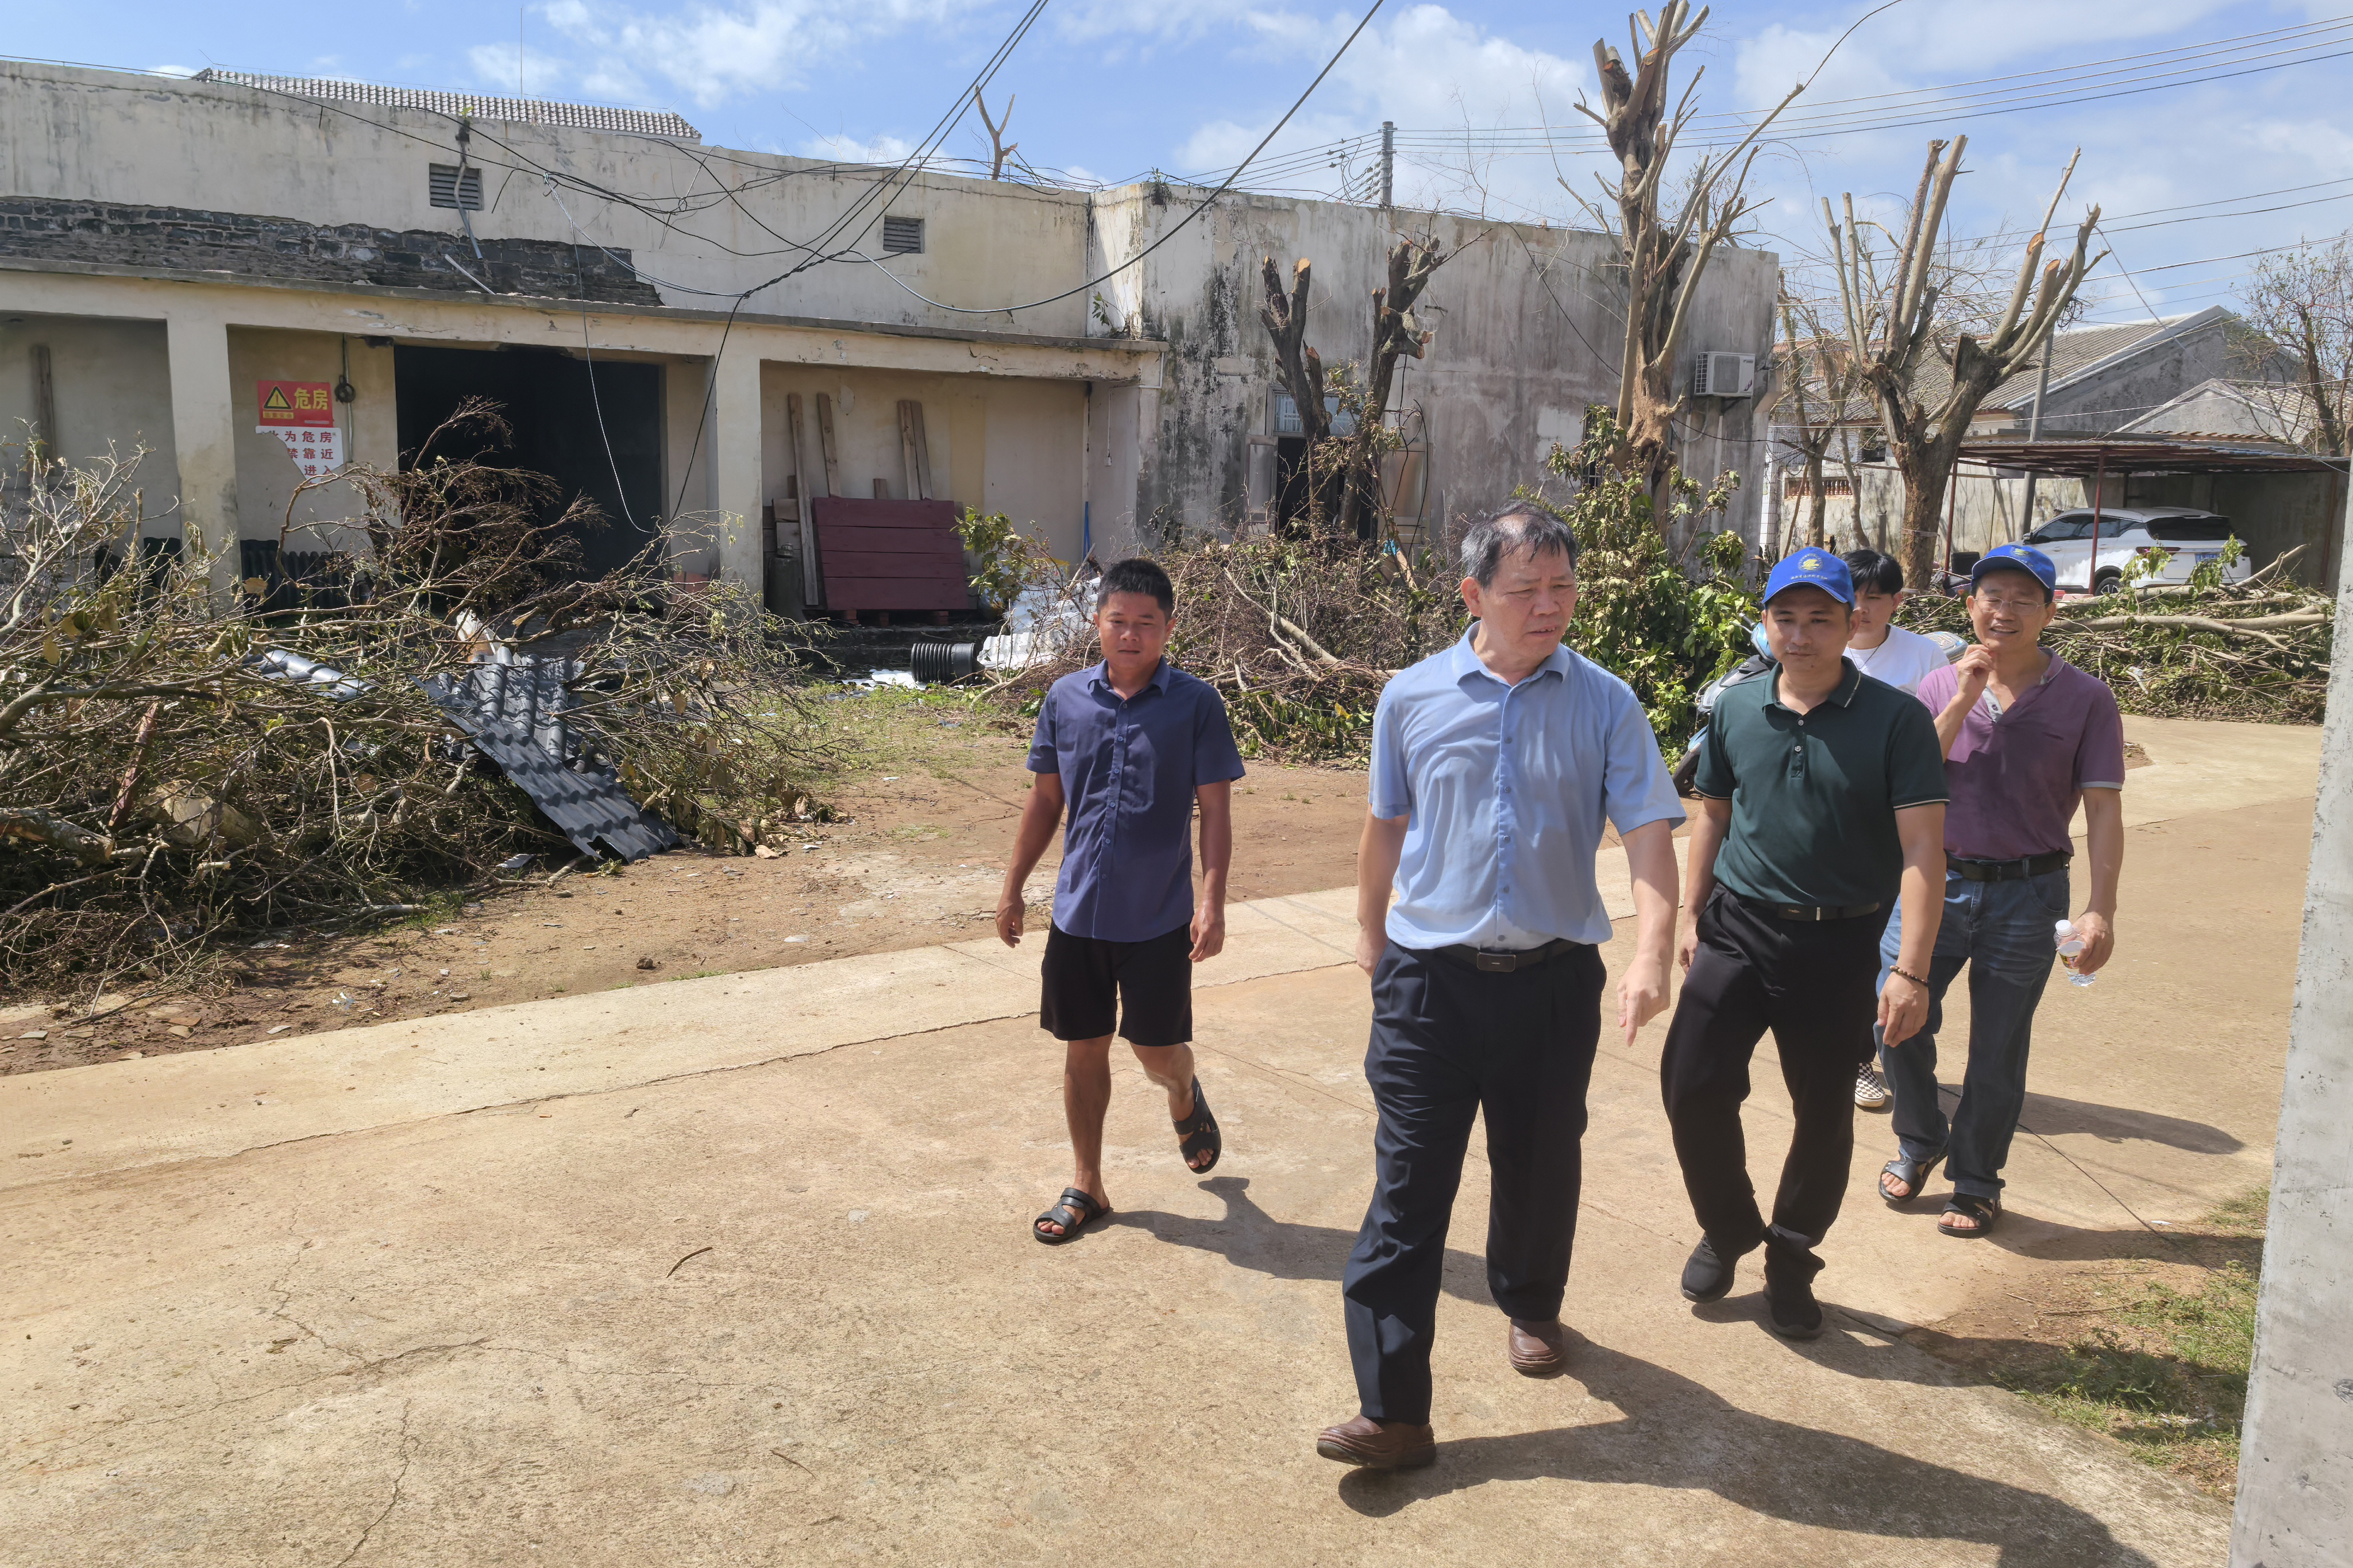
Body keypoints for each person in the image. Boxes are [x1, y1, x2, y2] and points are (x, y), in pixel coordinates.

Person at [1314, 501, 1683, 1472]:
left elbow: (1648, 831)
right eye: (1525, 590)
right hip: (1428, 983)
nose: (1549, 606)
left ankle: (1530, 1304)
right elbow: (1386, 824)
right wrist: (1368, 933)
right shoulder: (1412, 695)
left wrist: (1652, 951)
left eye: (1563, 587)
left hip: (1552, 983)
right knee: (1407, 1189)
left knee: (1539, 1161)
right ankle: (1394, 1412)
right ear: (1474, 595)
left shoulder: (1606, 702)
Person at [1660, 550, 1947, 1339]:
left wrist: (1911, 971)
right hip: (1739, 926)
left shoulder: (1897, 720)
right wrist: (1692, 913)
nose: (1801, 632)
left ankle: (1790, 1253)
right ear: (1766, 622)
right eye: (1785, 616)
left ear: (1853, 623)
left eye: (1820, 617)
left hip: (1841, 939)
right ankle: (1728, 1226)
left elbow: (1925, 850)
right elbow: (1711, 812)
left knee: (1824, 1112)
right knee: (1691, 1083)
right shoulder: (1737, 708)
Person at [1875, 544, 2124, 1239]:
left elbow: (2104, 810)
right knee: (1892, 1022)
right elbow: (1906, 779)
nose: (2004, 611)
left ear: (2051, 611)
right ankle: (1921, 1138)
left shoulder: (2085, 699)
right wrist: (1962, 693)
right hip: (1934, 885)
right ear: (1969, 606)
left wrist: (2099, 908)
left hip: (2031, 892)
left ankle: (1977, 1181)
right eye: (1992, 596)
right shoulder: (1934, 689)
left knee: (1998, 1047)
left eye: (2023, 599)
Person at [997, 557, 1247, 1245]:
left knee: (1156, 1052)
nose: (1130, 636)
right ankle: (1088, 1183)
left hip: (1158, 916)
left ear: (1168, 629)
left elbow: (1215, 811)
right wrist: (1014, 887)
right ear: (1097, 623)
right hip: (1078, 915)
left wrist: (1213, 900)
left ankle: (1183, 1093)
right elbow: (1046, 799)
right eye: (1118, 622)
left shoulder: (1196, 705)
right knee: (1083, 1049)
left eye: (1146, 624)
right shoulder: (1065, 699)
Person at [1839, 546, 1953, 1115]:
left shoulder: (1923, 658)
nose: (1860, 609)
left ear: (1897, 602)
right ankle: (1857, 1057)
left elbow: (1942, 740)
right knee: (1845, 949)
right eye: (1852, 596)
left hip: (1900, 827)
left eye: (1874, 598)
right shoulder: (1818, 644)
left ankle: (1875, 1055)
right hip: (1836, 826)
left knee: (1884, 948)